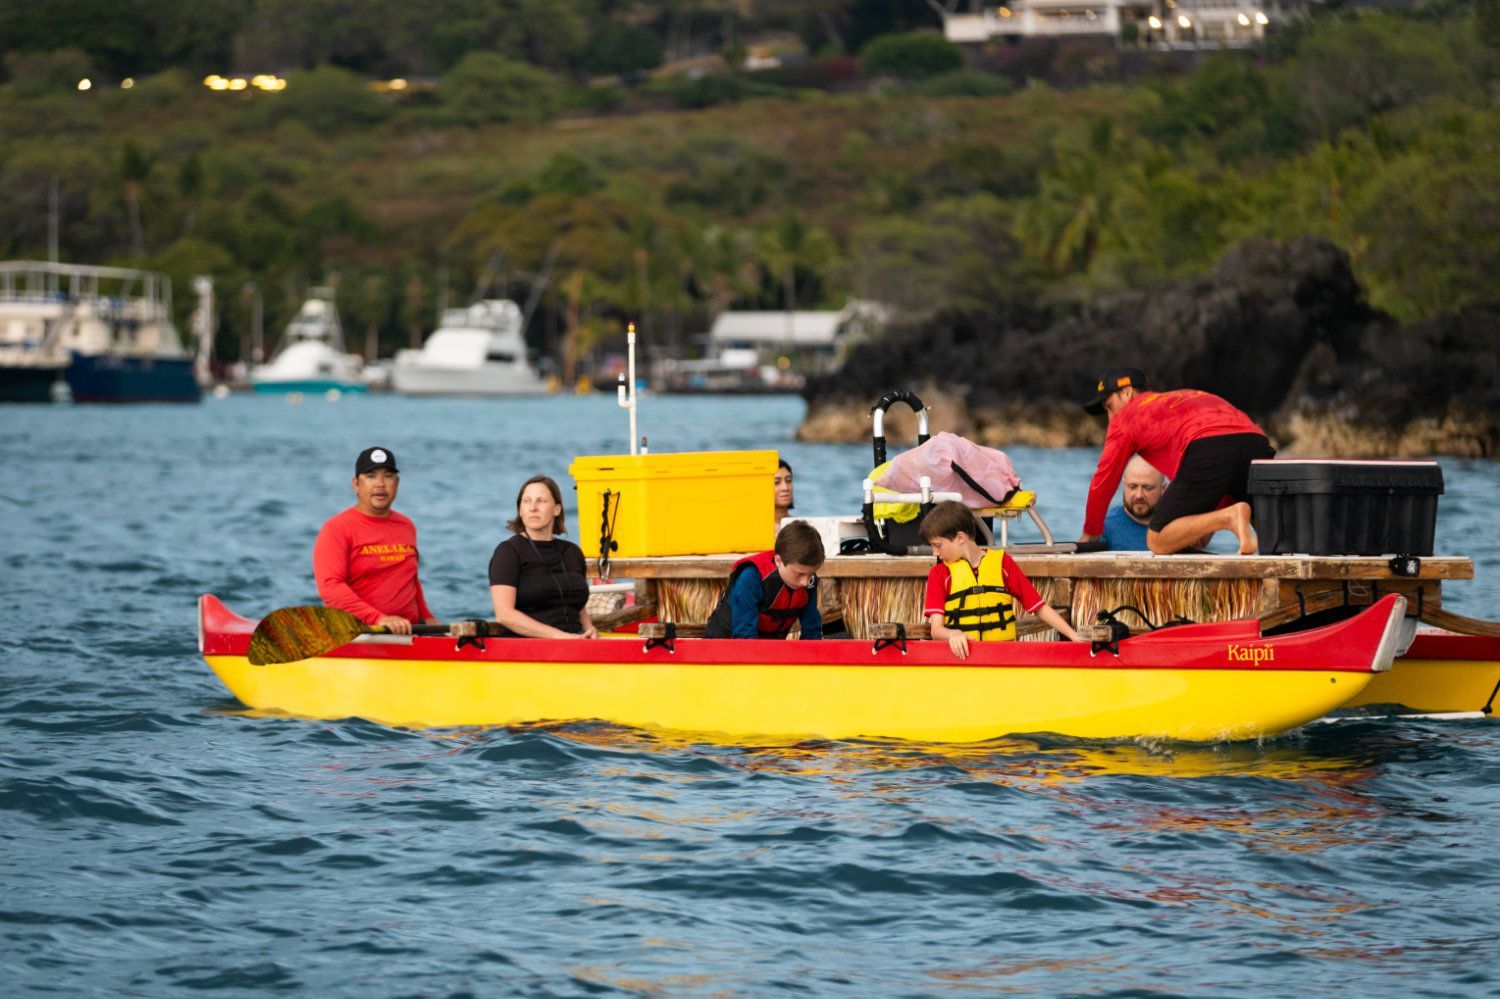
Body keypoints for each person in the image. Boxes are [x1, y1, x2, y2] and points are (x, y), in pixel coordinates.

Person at [1078, 368, 1275, 556]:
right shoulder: (1183, 398)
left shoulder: (1127, 416)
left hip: (1207, 445)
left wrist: (1090, 533)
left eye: (1109, 407)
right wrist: (1200, 528)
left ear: (1127, 392)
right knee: (1273, 541)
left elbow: (1104, 479)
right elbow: (1220, 471)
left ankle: (1230, 518)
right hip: (1256, 442)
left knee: (1157, 539)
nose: (1110, 417)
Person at [921, 501, 1080, 660]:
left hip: (1002, 656)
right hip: (962, 660)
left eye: (938, 545)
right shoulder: (939, 574)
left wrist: (1074, 636)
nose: (935, 553)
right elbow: (936, 629)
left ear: (960, 537)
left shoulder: (1002, 563)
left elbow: (1039, 607)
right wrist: (952, 634)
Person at [313, 445, 440, 635]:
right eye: (371, 476)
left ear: (397, 483)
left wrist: (428, 618)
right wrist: (379, 618)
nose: (380, 484)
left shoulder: (406, 526)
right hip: (359, 633)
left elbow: (411, 580)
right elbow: (330, 588)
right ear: (356, 484)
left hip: (410, 631)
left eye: (388, 476)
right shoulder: (337, 528)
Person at [489, 475, 597, 639]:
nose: (533, 507)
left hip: (575, 643)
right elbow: (505, 614)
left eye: (541, 501)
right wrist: (559, 636)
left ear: (557, 509)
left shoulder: (573, 552)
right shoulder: (508, 552)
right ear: (520, 510)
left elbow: (576, 605)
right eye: (526, 501)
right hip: (529, 649)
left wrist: (590, 629)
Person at [705, 520, 824, 639]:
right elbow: (744, 637)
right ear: (778, 561)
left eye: (811, 573)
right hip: (727, 643)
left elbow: (812, 629)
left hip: (770, 645)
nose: (805, 582)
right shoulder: (751, 577)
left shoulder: (810, 580)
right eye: (799, 574)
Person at [1101, 456, 1167, 551]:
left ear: (1163, 489)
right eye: (1132, 487)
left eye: (1148, 488)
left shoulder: (1178, 525)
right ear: (1124, 485)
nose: (1139, 495)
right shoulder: (1105, 527)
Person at [774, 458, 795, 531]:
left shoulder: (799, 527)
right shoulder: (754, 529)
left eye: (788, 481)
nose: (785, 488)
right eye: (776, 482)